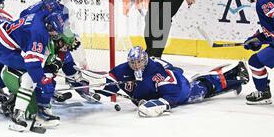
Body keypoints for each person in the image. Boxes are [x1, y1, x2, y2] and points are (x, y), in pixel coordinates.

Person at [99, 46, 249, 117]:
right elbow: (109, 81)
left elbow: (173, 94)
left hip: (177, 84)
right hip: (160, 86)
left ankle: (236, 76)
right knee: (198, 84)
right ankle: (229, 74)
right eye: (133, 62)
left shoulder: (155, 70)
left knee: (200, 89)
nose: (136, 65)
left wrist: (161, 103)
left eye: (139, 62)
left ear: (144, 59)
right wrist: (97, 86)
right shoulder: (124, 69)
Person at [0, 7, 67, 132]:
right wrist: (43, 81)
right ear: (49, 27)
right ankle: (19, 114)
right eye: (55, 31)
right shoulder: (38, 34)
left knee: (39, 70)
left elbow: (24, 12)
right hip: (4, 49)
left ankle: (40, 110)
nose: (56, 34)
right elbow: (33, 65)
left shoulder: (44, 16)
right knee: (31, 77)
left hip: (5, 35)